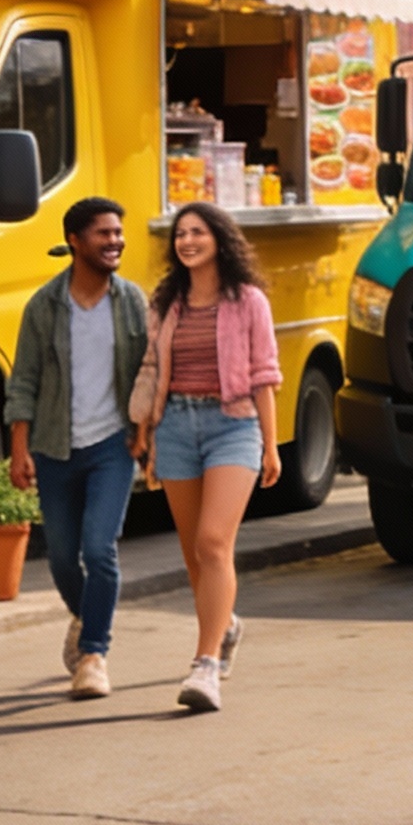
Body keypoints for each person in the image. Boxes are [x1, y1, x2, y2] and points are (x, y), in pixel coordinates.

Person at [133, 203, 280, 714]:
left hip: (233, 426)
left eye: (197, 232)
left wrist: (271, 442)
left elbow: (265, 374)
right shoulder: (167, 302)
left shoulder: (248, 301)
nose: (187, 241)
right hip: (175, 426)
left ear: (220, 238)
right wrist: (147, 431)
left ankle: (206, 665)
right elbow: (153, 368)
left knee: (215, 543)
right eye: (180, 234)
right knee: (195, 555)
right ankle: (227, 624)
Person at [4, 197, 147, 701]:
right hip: (54, 444)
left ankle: (93, 655)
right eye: (104, 234)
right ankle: (85, 611)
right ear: (75, 242)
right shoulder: (44, 307)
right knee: (63, 557)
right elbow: (22, 381)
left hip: (112, 444)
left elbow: (149, 373)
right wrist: (19, 448)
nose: (115, 242)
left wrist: (146, 434)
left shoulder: (131, 301)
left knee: (98, 549)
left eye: (118, 233)